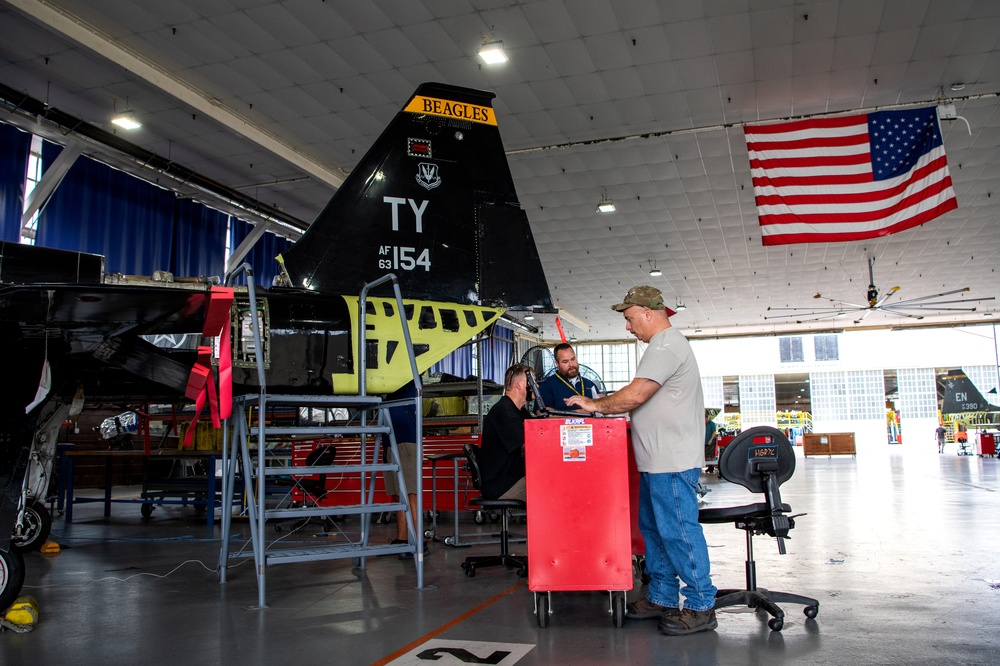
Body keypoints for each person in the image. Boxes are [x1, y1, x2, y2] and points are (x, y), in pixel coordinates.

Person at [566, 285, 717, 637]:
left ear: (648, 313)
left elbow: (636, 393)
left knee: (678, 531)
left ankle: (701, 604)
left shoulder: (666, 345)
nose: (629, 327)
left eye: (631, 319)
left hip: (672, 460)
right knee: (654, 531)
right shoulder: (662, 347)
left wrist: (595, 405)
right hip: (656, 460)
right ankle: (663, 596)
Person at [382, 380, 427, 557]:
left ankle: (417, 541)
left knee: (410, 493)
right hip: (391, 437)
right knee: (397, 493)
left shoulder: (407, 368)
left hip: (406, 438)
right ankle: (402, 539)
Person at [479, 364, 532, 501]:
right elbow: (531, 445)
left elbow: (538, 431)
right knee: (550, 484)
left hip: (514, 478)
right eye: (531, 382)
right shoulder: (504, 412)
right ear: (519, 385)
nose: (536, 386)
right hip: (502, 485)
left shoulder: (519, 411)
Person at [537, 343, 602, 412]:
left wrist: (602, 402)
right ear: (557, 364)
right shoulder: (547, 386)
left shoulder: (590, 384)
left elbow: (601, 409)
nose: (571, 364)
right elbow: (541, 412)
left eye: (573, 359)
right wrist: (577, 413)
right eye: (565, 362)